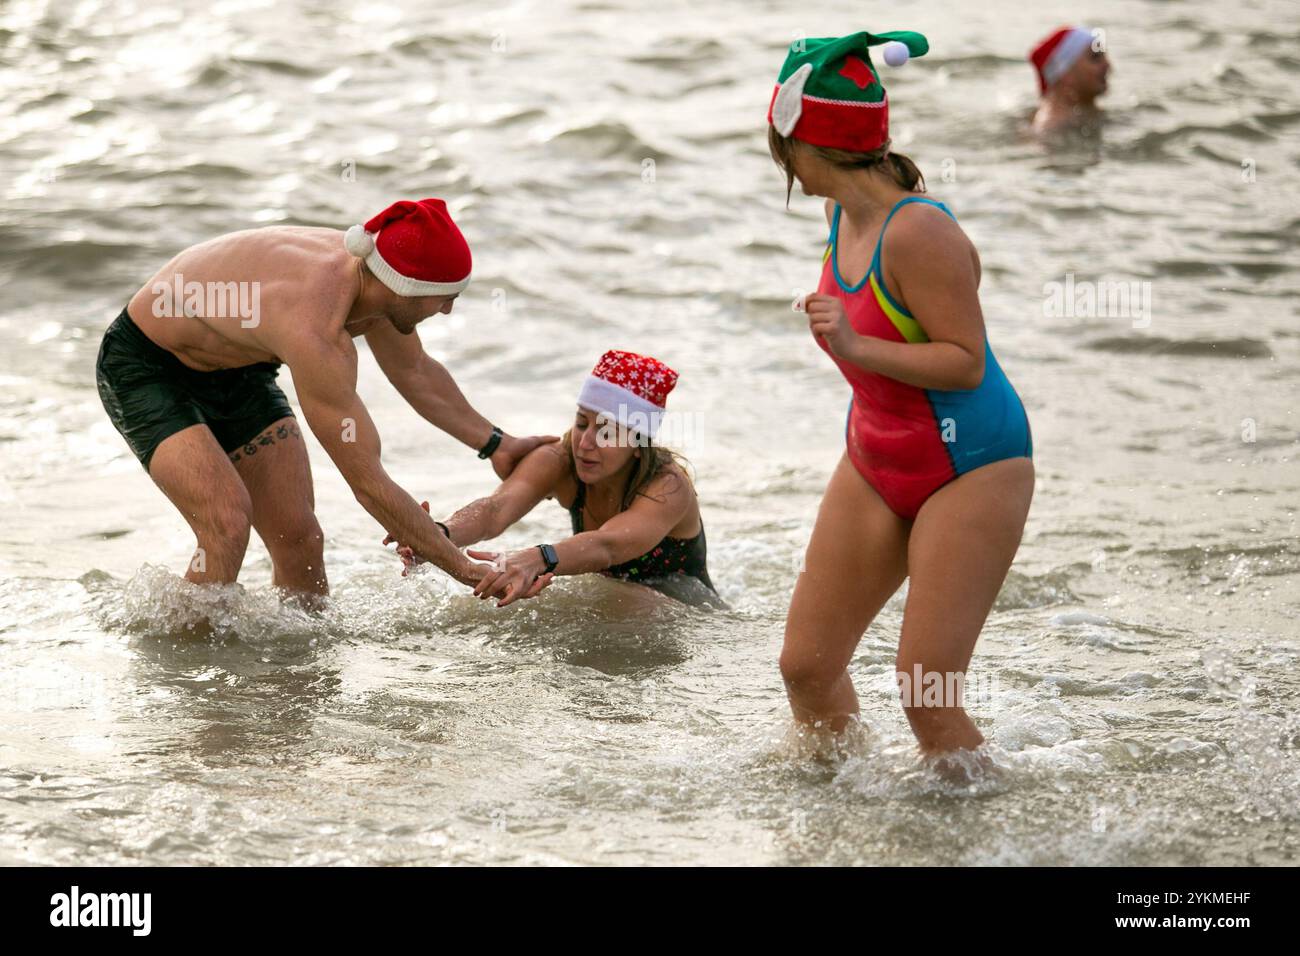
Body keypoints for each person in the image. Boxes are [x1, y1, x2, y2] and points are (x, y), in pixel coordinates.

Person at [765, 31, 1035, 777]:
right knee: (806, 667)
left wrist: (854, 346)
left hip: (972, 464)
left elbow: (964, 361)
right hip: (877, 456)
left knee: (927, 691)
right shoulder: (839, 216)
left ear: (805, 143)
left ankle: (987, 839)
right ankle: (832, 814)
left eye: (779, 144)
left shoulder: (920, 231)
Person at [95, 198, 557, 599]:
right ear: (405, 289)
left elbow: (415, 371)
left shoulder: (376, 281)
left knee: (300, 538)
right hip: (149, 366)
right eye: (442, 297)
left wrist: (498, 444)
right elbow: (367, 482)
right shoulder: (316, 327)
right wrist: (468, 569)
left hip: (239, 369)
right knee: (226, 524)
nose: (448, 308)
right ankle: (191, 681)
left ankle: (300, 682)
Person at [385, 350, 717, 608]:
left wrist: (540, 558)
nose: (585, 444)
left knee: (617, 600)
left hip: (683, 614)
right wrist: (437, 535)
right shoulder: (559, 459)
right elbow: (494, 510)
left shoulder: (668, 487)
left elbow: (607, 546)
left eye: (607, 432)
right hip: (611, 603)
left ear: (638, 443)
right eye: (582, 423)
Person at [1029, 26, 1110, 135]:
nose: (1107, 65)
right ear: (1065, 73)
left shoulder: (1086, 113)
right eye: (1095, 57)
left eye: (1104, 56)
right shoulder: (1052, 129)